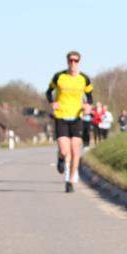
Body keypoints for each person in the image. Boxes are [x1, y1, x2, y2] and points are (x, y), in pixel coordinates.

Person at [46, 51, 93, 192]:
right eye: (70, 60)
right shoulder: (59, 77)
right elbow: (49, 92)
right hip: (61, 116)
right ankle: (60, 158)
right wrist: (52, 102)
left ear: (79, 62)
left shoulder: (84, 79)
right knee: (65, 150)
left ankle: (70, 180)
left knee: (75, 150)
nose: (73, 63)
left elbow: (89, 96)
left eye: (75, 60)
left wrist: (88, 106)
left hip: (77, 117)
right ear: (67, 61)